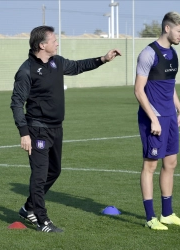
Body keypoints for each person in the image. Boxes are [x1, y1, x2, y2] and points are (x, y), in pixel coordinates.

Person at [10, 25, 121, 233]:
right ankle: (41, 220)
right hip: (37, 130)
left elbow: (78, 66)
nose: (57, 43)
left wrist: (103, 59)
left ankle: (28, 207)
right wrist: (24, 133)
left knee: (55, 171)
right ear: (42, 45)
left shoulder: (57, 62)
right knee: (40, 175)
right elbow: (16, 103)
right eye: (54, 40)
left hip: (56, 128)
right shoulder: (26, 70)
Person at [134, 12, 180, 230]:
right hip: (153, 119)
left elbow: (170, 86)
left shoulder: (173, 54)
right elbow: (139, 91)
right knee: (150, 165)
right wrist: (153, 119)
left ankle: (167, 214)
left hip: (170, 117)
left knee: (171, 163)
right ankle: (150, 218)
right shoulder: (148, 53)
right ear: (167, 28)